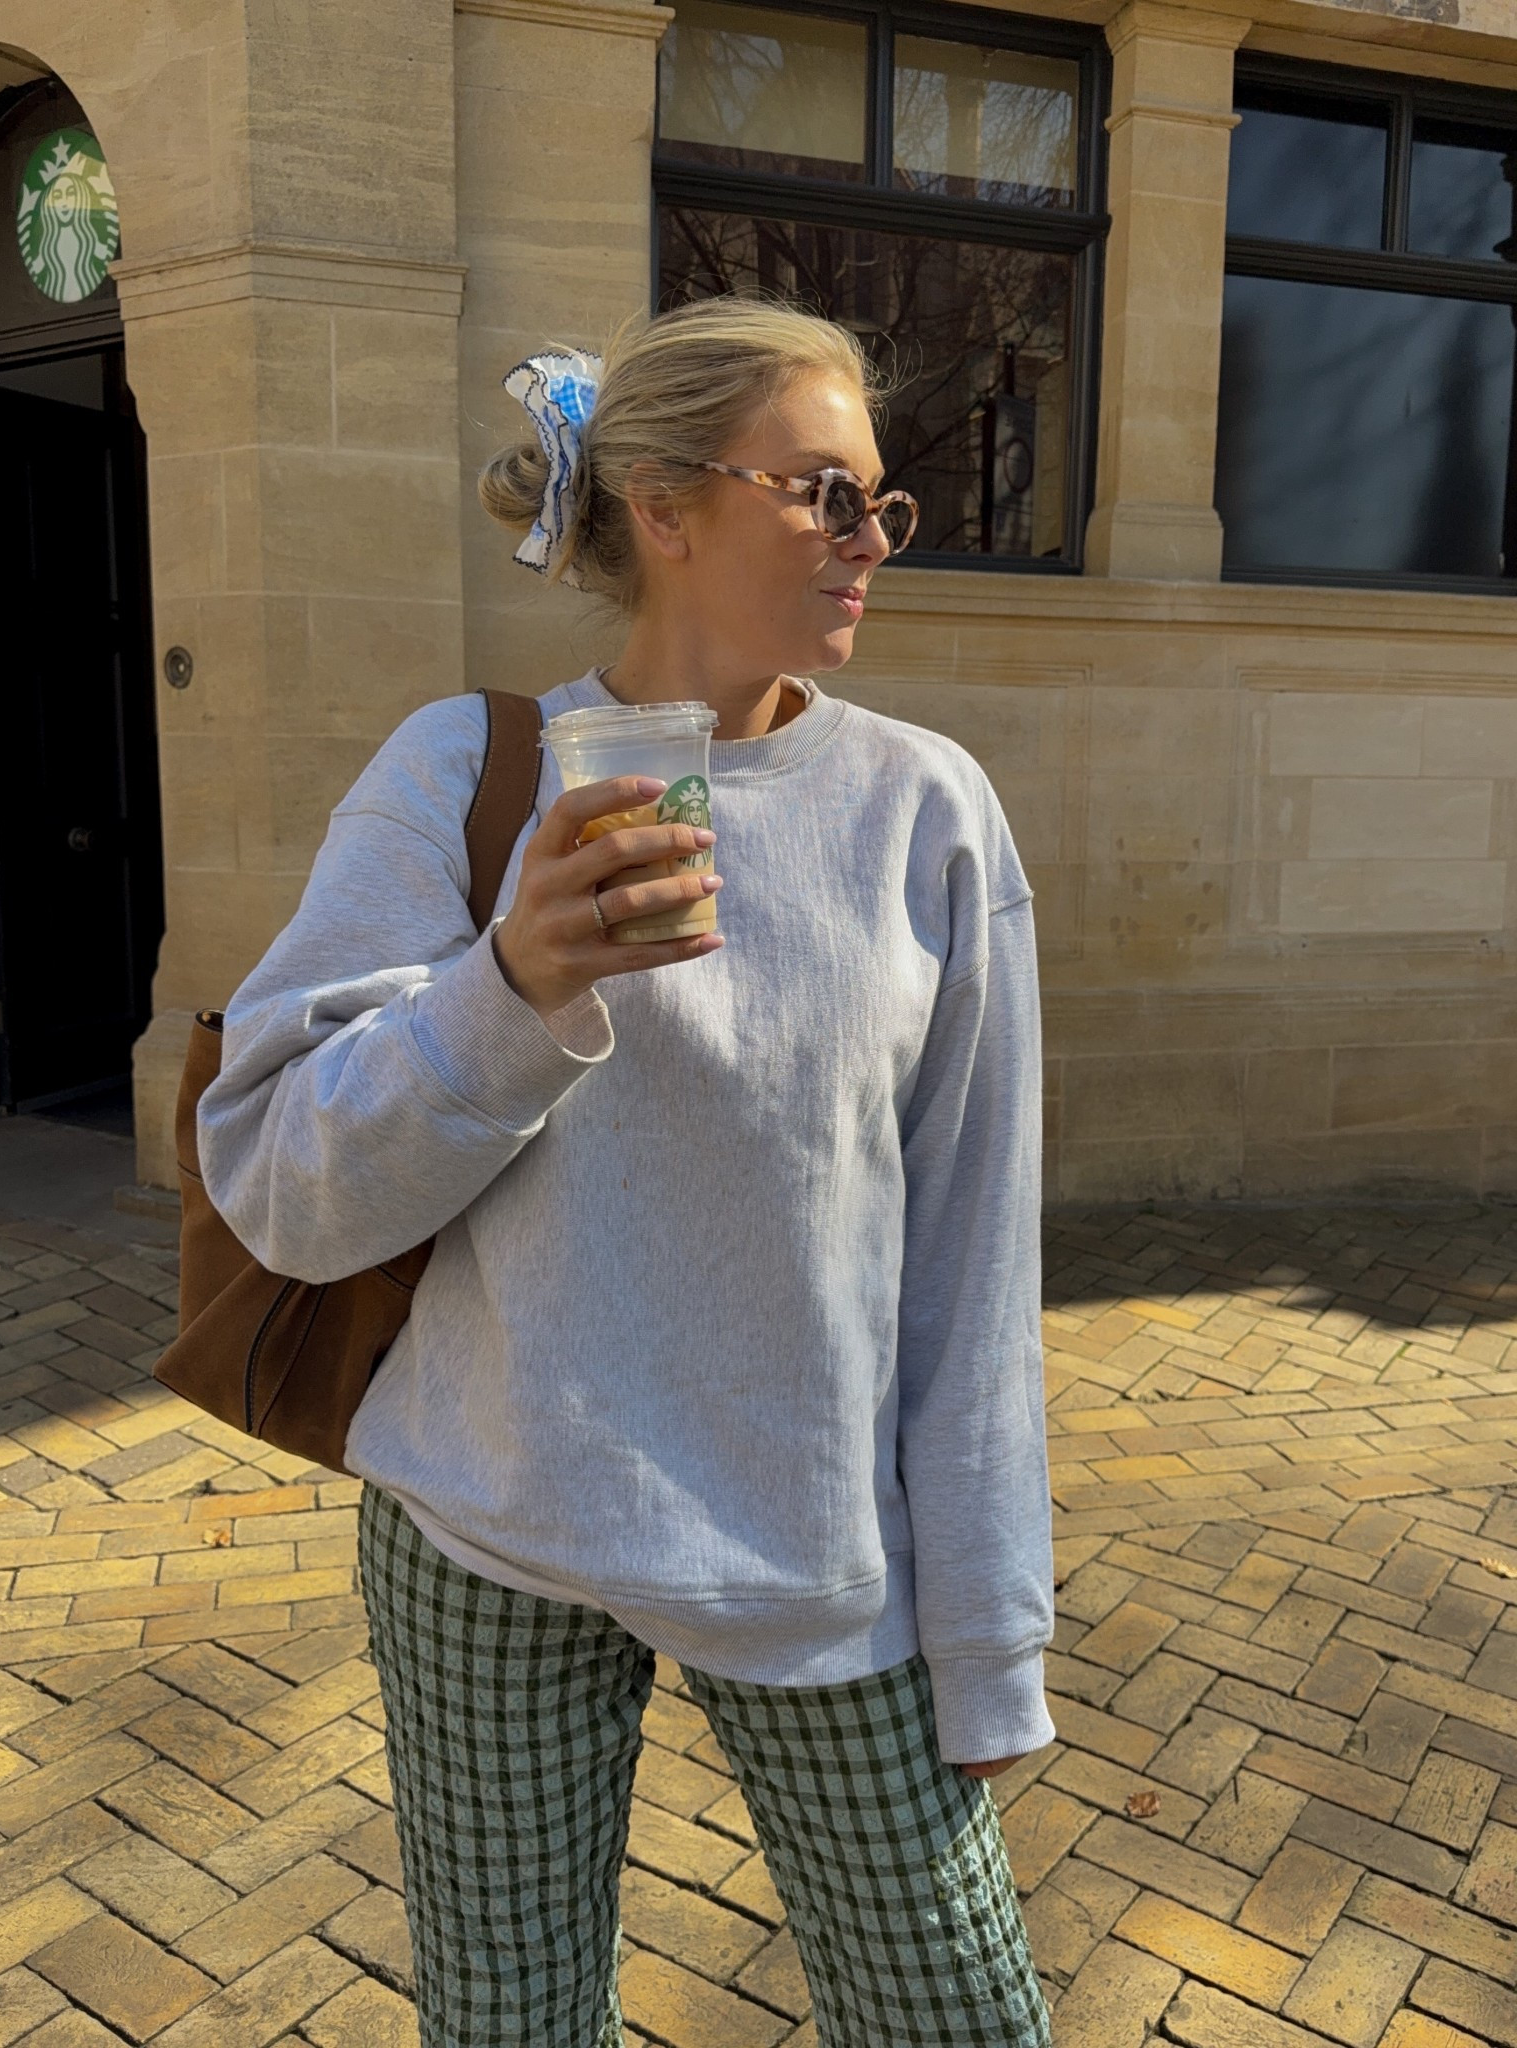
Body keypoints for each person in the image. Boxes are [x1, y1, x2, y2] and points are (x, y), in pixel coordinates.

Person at [196, 294, 1056, 2048]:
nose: (870, 539)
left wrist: (989, 1638)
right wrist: (511, 988)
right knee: (510, 2027)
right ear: (663, 505)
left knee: (956, 2016)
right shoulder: (466, 770)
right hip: (487, 1536)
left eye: (881, 502)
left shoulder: (927, 811)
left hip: (812, 1567)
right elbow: (279, 1185)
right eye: (824, 492)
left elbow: (974, 1259)